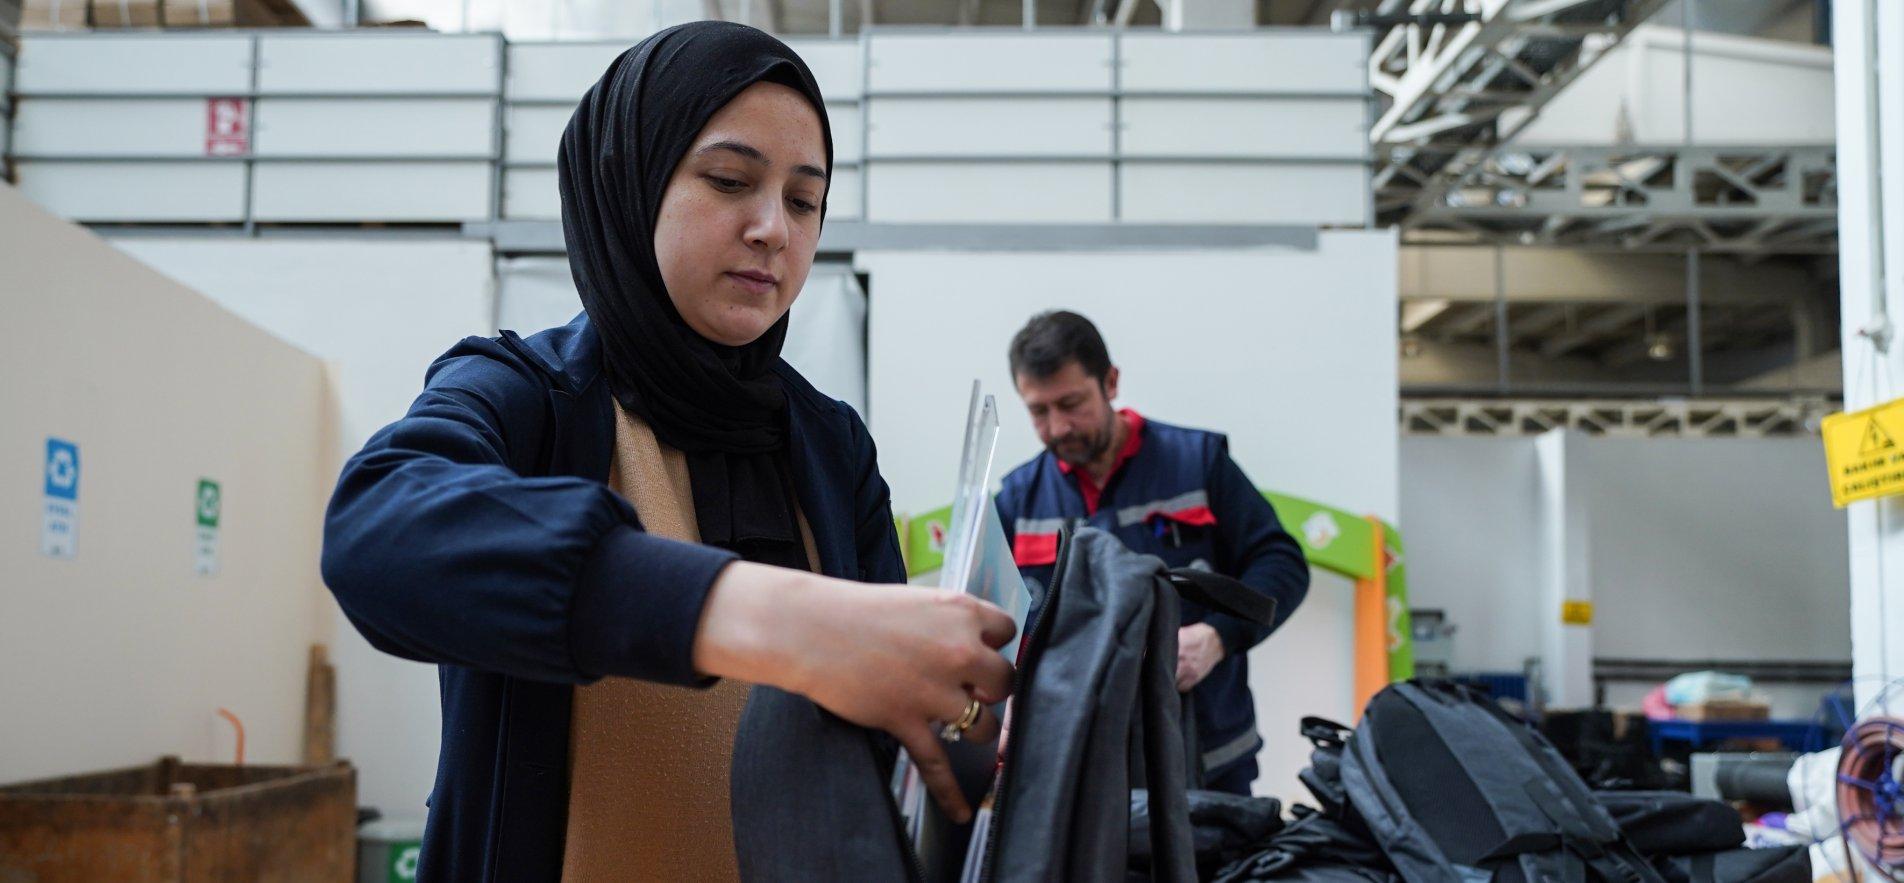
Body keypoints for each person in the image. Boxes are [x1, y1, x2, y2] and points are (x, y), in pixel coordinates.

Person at [321, 23, 1012, 882]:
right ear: (632, 181)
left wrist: (960, 729)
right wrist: (775, 620)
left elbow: (873, 738)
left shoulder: (830, 443)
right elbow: (375, 533)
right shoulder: (524, 395)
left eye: (804, 201)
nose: (772, 229)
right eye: (729, 181)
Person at [994, 310, 1309, 795]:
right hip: (1078, 771)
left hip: (1208, 761)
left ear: (1111, 382)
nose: (1058, 428)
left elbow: (1282, 565)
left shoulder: (1199, 465)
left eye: (1072, 403)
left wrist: (1218, 636)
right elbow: (998, 624)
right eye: (1039, 411)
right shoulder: (1017, 500)